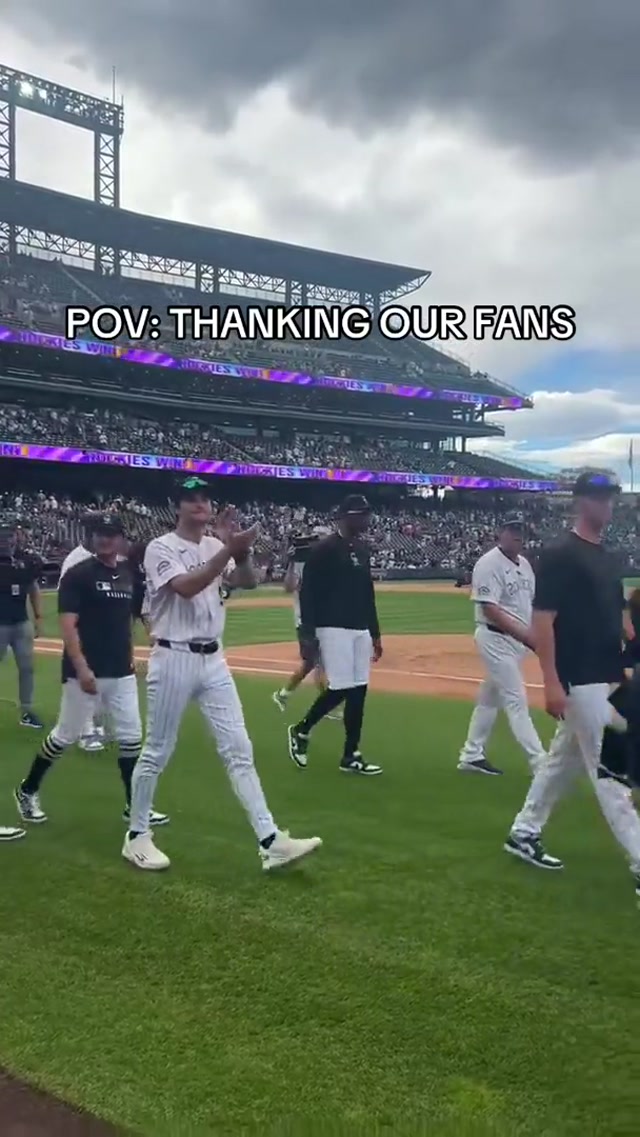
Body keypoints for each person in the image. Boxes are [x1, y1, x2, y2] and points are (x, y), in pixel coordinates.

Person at [123, 476, 322, 872]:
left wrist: (241, 552)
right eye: (190, 498)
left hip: (213, 658)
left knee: (239, 749)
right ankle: (137, 835)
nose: (199, 504)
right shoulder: (161, 548)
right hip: (174, 654)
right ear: (176, 506)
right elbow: (185, 587)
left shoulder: (215, 544)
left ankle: (270, 841)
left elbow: (247, 580)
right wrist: (227, 549)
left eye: (204, 497)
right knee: (158, 749)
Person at [504, 472, 640, 902]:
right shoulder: (560, 554)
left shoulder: (609, 556)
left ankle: (524, 831)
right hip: (577, 678)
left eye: (611, 498)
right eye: (600, 498)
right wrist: (550, 681)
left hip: (607, 675)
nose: (608, 505)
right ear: (581, 502)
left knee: (562, 762)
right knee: (611, 775)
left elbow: (618, 617)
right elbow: (543, 621)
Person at [14, 515, 168, 829]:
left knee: (130, 738)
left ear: (121, 539)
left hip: (120, 670)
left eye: (111, 534)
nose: (104, 540)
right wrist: (82, 667)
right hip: (84, 672)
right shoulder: (78, 575)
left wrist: (150, 641)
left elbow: (136, 615)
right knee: (65, 735)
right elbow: (68, 626)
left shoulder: (128, 574)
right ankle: (27, 790)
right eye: (100, 534)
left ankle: (134, 806)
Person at [287, 494, 383, 775]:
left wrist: (375, 633)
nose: (367, 519)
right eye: (361, 514)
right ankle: (302, 730)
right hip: (332, 626)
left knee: (359, 691)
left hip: (359, 627)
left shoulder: (362, 550)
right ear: (346, 517)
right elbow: (308, 594)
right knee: (341, 686)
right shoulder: (325, 549)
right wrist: (308, 636)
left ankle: (351, 754)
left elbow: (368, 594)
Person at [457, 513, 546, 776]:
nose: (517, 534)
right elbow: (490, 609)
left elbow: (529, 604)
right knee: (516, 700)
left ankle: (471, 754)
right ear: (500, 532)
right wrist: (527, 637)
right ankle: (540, 762)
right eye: (511, 529)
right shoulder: (488, 564)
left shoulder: (525, 565)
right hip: (495, 639)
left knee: (488, 699)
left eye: (520, 529)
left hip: (515, 643)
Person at [272, 526, 341, 720]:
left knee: (312, 663)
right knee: (317, 663)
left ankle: (283, 694)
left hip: (324, 619)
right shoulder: (302, 563)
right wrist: (292, 562)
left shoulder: (328, 561)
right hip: (306, 621)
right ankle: (327, 706)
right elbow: (288, 587)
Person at [58, 517, 106, 752]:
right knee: (81, 681)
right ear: (89, 535)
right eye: (99, 533)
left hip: (101, 631)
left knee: (101, 680)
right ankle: (84, 731)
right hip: (82, 630)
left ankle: (94, 724)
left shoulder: (104, 559)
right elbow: (65, 601)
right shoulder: (75, 560)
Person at [0, 525, 43, 728]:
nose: (7, 542)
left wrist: (38, 617)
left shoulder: (26, 561)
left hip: (20, 621)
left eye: (10, 537)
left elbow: (33, 588)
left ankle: (27, 711)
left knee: (27, 668)